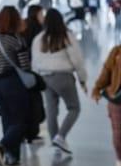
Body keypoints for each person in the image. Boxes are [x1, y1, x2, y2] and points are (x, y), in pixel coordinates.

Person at [31, 8, 88, 155]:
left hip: (45, 78)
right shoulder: (66, 36)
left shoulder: (39, 38)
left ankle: (55, 142)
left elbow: (35, 62)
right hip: (63, 77)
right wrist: (82, 80)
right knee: (74, 108)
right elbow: (77, 59)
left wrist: (38, 80)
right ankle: (61, 137)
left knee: (51, 111)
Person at [0, 6, 31, 166]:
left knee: (7, 120)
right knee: (21, 121)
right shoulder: (17, 40)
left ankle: (11, 158)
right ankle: (2, 146)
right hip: (14, 83)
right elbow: (25, 67)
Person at [91, 44, 121, 166]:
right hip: (117, 100)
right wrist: (97, 88)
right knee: (118, 134)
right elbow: (107, 70)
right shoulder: (116, 51)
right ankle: (120, 161)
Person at [21, 4, 46, 142]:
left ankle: (27, 131)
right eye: (41, 14)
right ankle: (32, 131)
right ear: (36, 14)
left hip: (23, 68)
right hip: (34, 68)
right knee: (34, 100)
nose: (43, 17)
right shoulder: (38, 29)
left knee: (28, 100)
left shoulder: (23, 25)